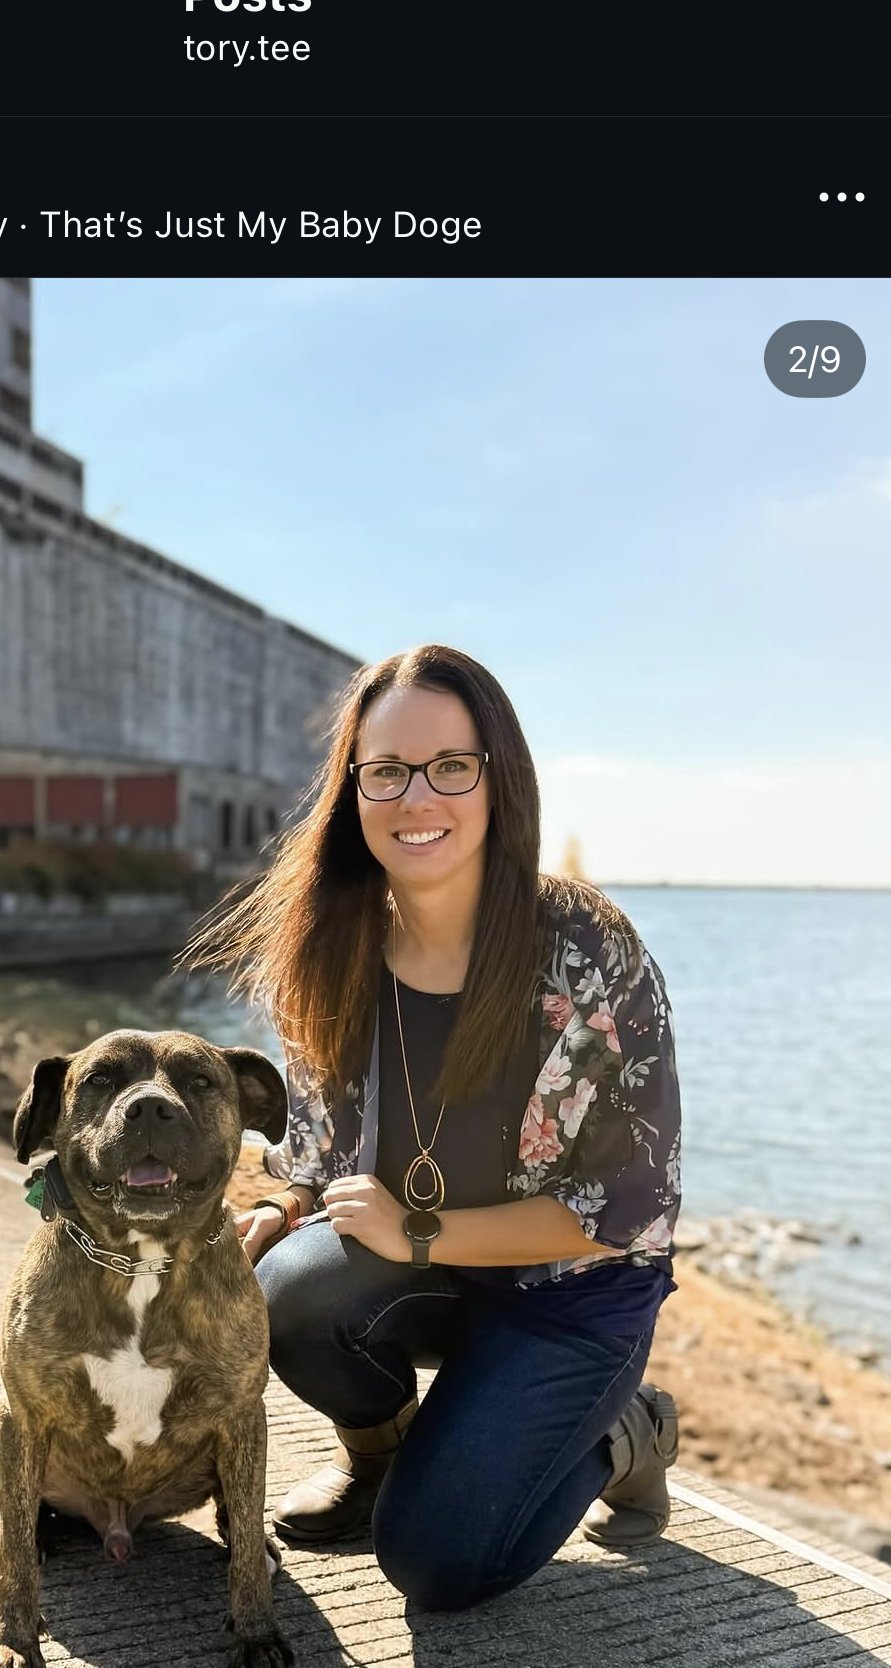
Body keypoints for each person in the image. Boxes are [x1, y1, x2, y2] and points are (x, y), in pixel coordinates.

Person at [177, 643, 681, 1612]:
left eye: (452, 766)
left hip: (569, 1294)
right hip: (429, 1276)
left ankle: (629, 1434)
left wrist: (420, 1232)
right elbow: (320, 1157)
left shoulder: (587, 953)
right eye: (387, 770)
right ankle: (384, 1459)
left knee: (439, 1565)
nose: (418, 798)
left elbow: (626, 1212)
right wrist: (279, 1216)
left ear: (500, 781)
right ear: (351, 788)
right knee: (289, 1290)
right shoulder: (328, 946)